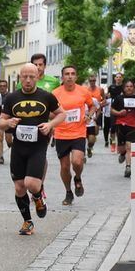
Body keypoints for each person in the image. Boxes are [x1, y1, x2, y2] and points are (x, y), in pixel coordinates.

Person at [0, 63, 65, 236]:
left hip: (38, 146)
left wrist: (50, 124)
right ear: (20, 78)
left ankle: (38, 195)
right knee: (20, 188)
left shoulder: (46, 96)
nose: (28, 80)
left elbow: (62, 114)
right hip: (18, 147)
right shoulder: (12, 98)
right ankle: (27, 222)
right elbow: (0, 122)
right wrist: (8, 123)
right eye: (25, 77)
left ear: (37, 77)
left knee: (31, 184)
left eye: (32, 77)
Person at [52, 65, 94, 205]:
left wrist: (89, 114)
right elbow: (50, 112)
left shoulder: (83, 91)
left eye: (72, 74)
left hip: (78, 132)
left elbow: (93, 105)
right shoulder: (55, 93)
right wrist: (55, 118)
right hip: (61, 133)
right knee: (64, 167)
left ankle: (78, 177)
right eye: (67, 74)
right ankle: (68, 192)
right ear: (62, 77)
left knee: (77, 161)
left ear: (76, 76)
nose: (70, 76)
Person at [111, 79, 135, 177]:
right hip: (121, 124)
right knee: (122, 149)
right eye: (127, 86)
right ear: (124, 88)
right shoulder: (119, 98)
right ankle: (122, 154)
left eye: (131, 86)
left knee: (129, 147)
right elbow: (112, 110)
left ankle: (128, 167)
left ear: (134, 88)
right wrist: (119, 113)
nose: (129, 88)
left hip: (133, 125)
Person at [84, 74, 105, 158]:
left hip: (94, 116)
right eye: (90, 81)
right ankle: (83, 156)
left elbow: (103, 99)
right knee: (82, 140)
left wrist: (102, 103)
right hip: (83, 120)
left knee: (92, 138)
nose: (92, 82)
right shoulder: (85, 90)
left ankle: (90, 147)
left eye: (94, 81)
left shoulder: (100, 89)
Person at [0, 79, 10, 164]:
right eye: (1, 86)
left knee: (9, 140)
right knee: (0, 138)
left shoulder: (10, 96)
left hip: (8, 120)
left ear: (7, 87)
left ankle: (10, 145)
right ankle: (1, 157)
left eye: (4, 86)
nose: (2, 87)